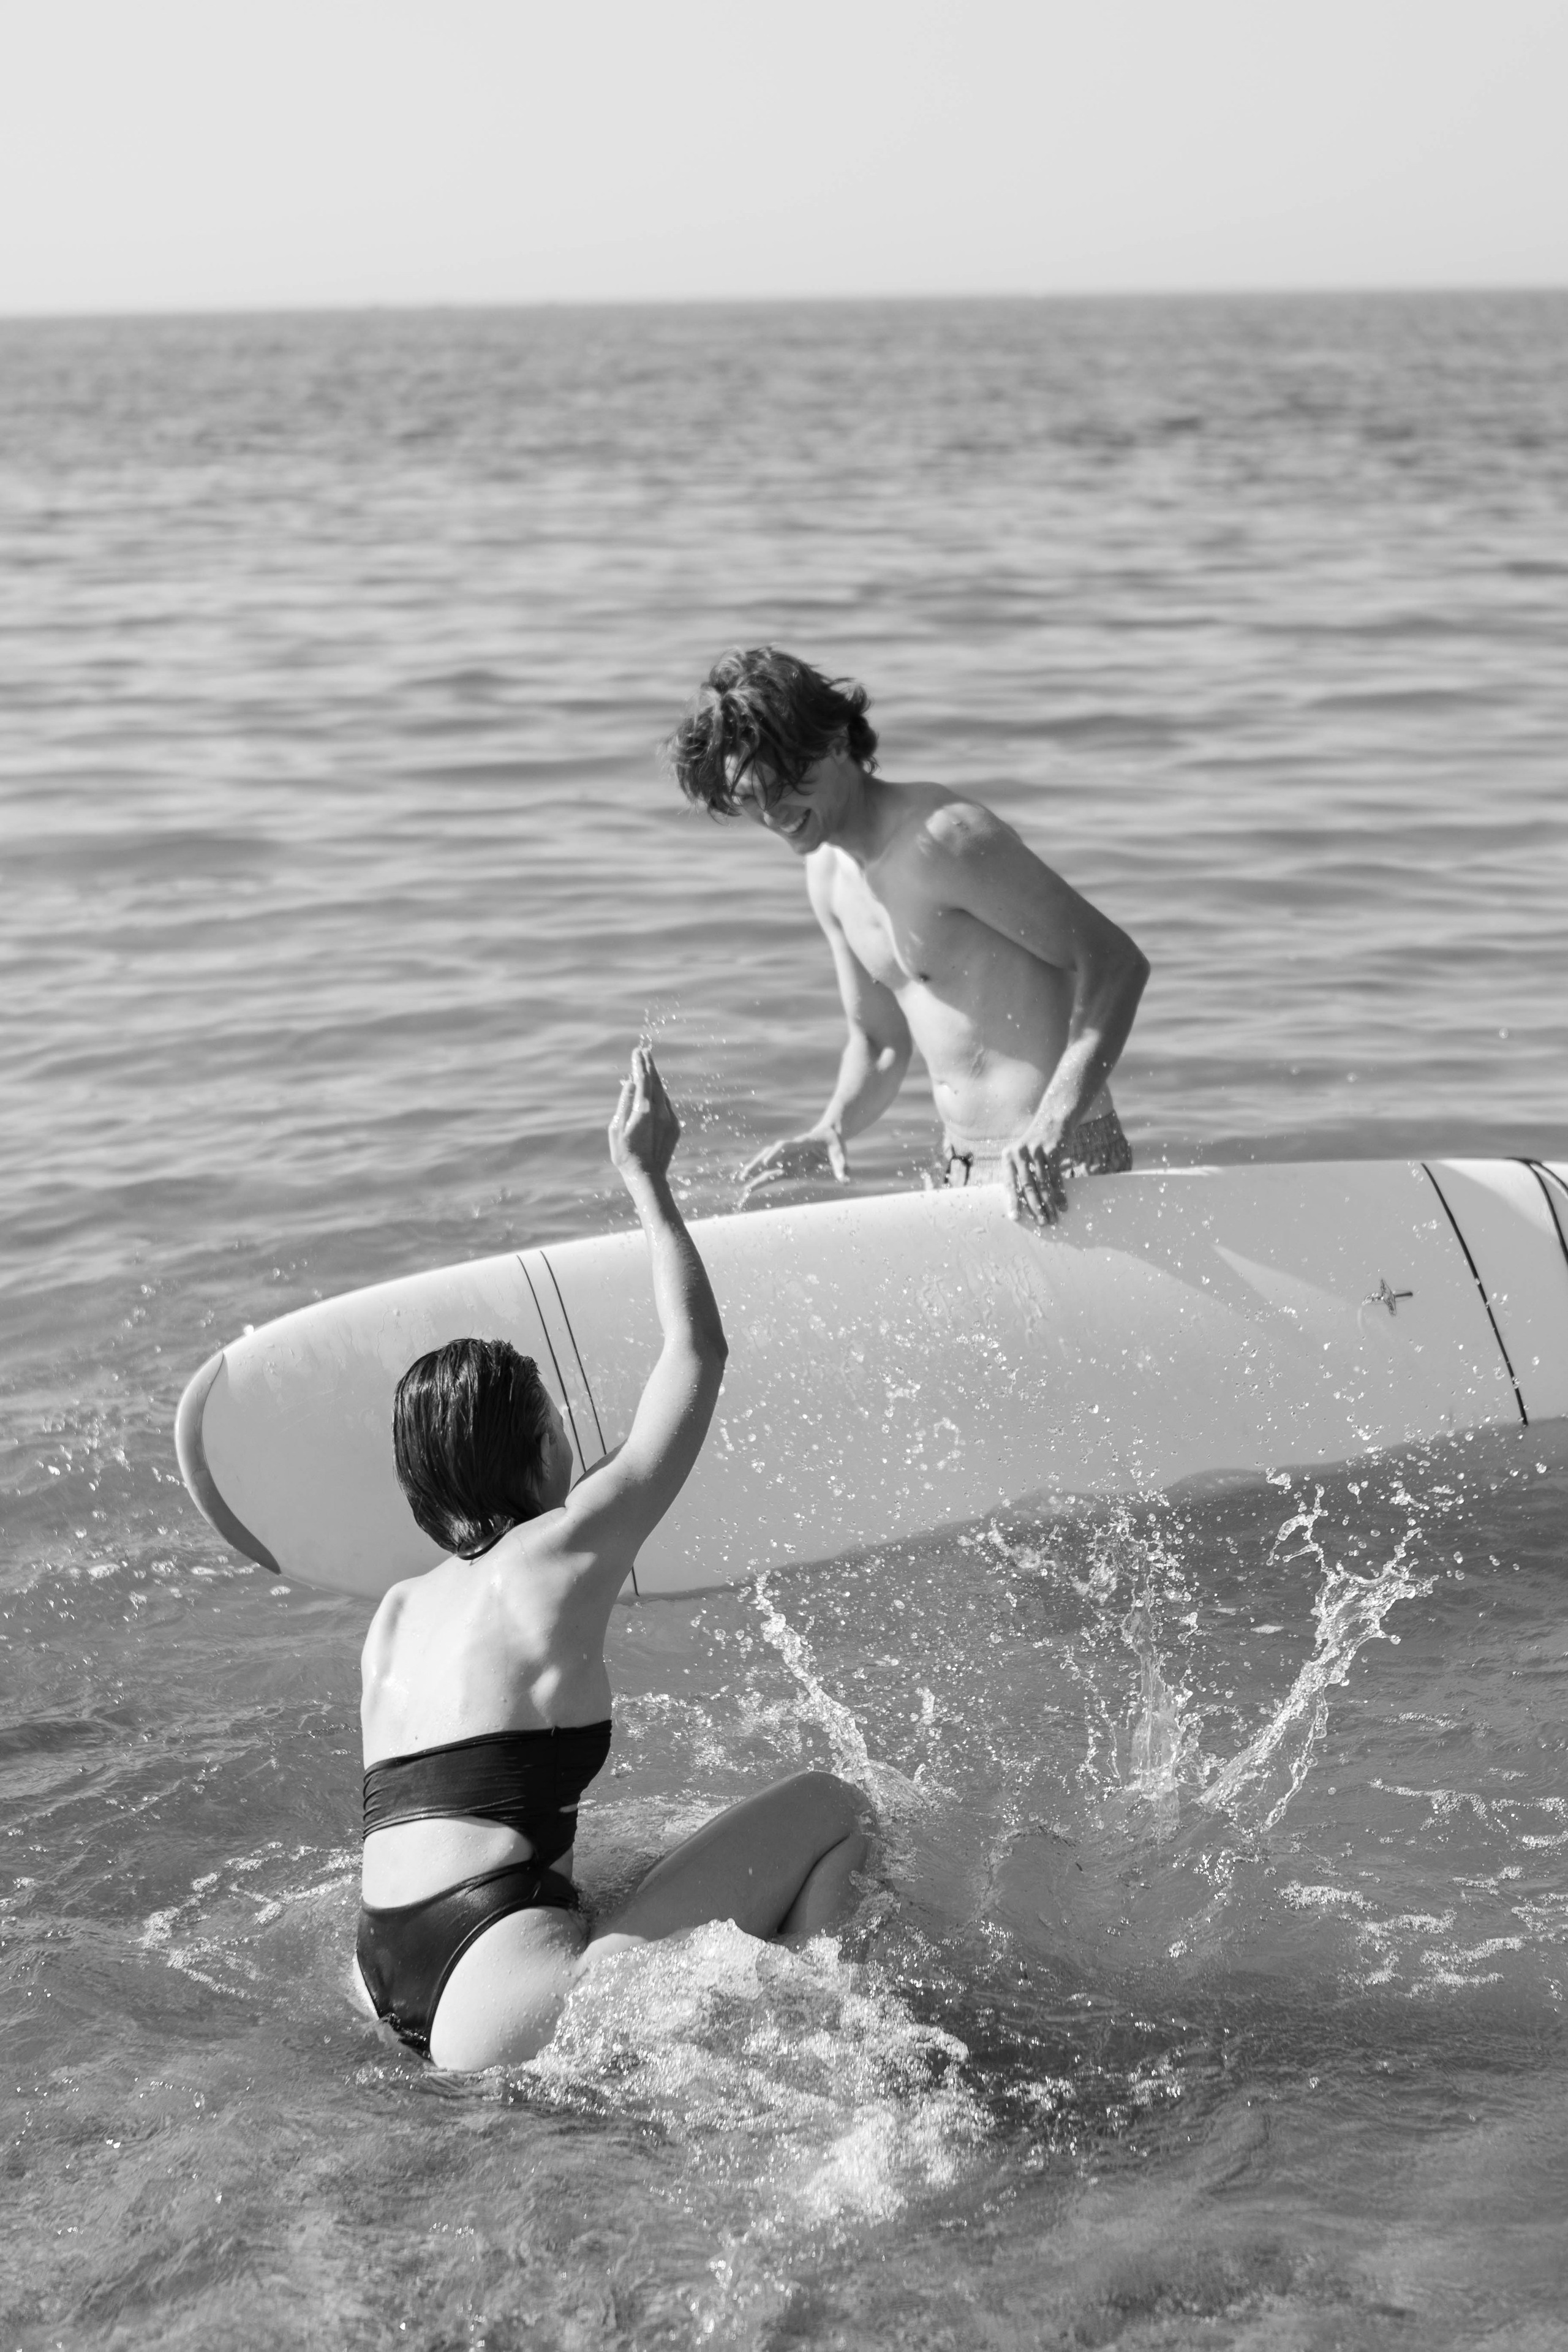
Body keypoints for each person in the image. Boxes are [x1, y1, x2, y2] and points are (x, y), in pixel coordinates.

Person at [355, 1046, 868, 2070]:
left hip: (386, 1975)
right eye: (555, 1418)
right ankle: (832, 2034)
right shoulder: (558, 1553)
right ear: (539, 1448)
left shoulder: (398, 1612)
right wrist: (647, 1179)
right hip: (500, 1987)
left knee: (628, 1862)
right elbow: (696, 1361)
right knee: (835, 1805)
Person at [667, 647, 1150, 1227]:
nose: (774, 814)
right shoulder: (827, 875)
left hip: (1061, 1157)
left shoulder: (946, 836)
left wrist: (1053, 1125)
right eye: (749, 798)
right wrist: (833, 1128)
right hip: (960, 1167)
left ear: (838, 743)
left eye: (786, 783)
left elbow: (1116, 964)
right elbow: (878, 1040)